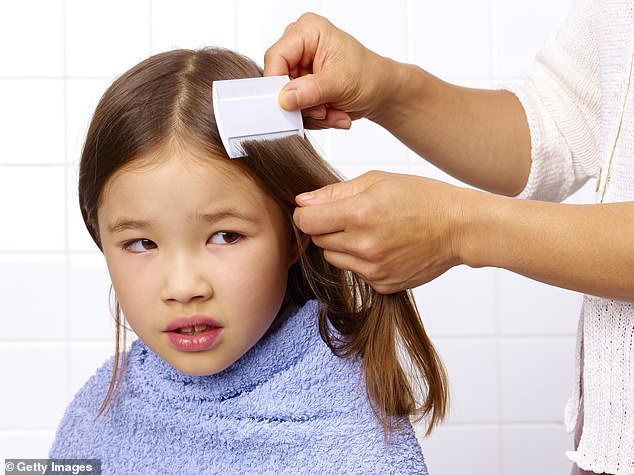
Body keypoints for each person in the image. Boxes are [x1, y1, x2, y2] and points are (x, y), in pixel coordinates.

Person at [263, 6, 634, 475]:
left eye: (225, 234)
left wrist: (458, 226)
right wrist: (386, 87)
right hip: (608, 440)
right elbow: (554, 123)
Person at [48, 47, 448, 474]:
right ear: (99, 235)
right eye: (142, 244)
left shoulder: (350, 441)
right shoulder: (94, 420)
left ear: (294, 233)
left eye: (225, 236)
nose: (183, 287)